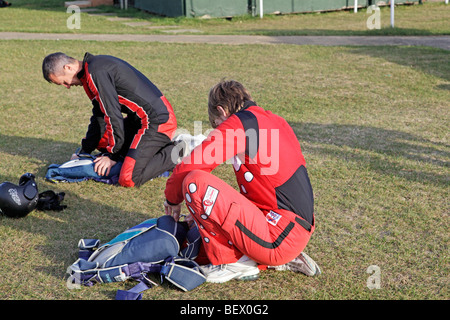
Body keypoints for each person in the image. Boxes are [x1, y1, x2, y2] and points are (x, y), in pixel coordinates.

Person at [163, 80, 320, 283]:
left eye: (217, 124)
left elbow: (193, 164)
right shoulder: (273, 120)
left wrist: (172, 199)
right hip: (293, 230)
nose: (218, 129)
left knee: (195, 183)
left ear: (221, 110)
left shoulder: (241, 123)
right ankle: (279, 257)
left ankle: (233, 263)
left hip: (279, 235)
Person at [42, 52, 180, 187]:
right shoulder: (90, 70)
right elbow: (99, 117)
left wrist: (112, 156)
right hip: (139, 120)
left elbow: (113, 115)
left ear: (68, 68)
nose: (67, 86)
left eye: (64, 82)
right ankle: (151, 150)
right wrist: (84, 151)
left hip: (157, 121)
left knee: (128, 178)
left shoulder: (95, 73)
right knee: (103, 141)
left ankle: (179, 151)